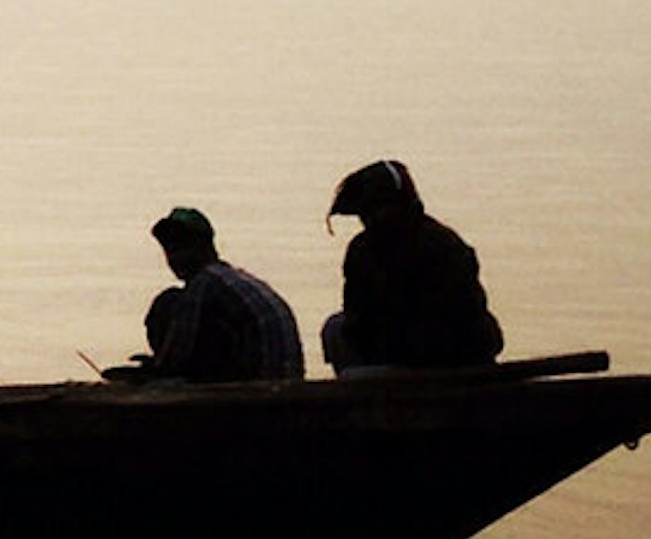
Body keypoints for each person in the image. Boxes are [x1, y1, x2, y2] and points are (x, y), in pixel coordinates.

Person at [320, 159, 504, 370]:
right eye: (365, 213)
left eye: (376, 209)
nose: (370, 219)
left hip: (433, 365)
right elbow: (357, 317)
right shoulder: (364, 251)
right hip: (405, 357)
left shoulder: (438, 248)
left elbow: (458, 322)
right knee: (335, 328)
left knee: (337, 331)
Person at [121, 206, 305, 383]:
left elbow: (177, 354)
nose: (175, 258)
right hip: (284, 379)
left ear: (204, 246)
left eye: (182, 247)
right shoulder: (234, 277)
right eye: (170, 250)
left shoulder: (204, 283)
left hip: (254, 389)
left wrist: (152, 373)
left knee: (167, 302)